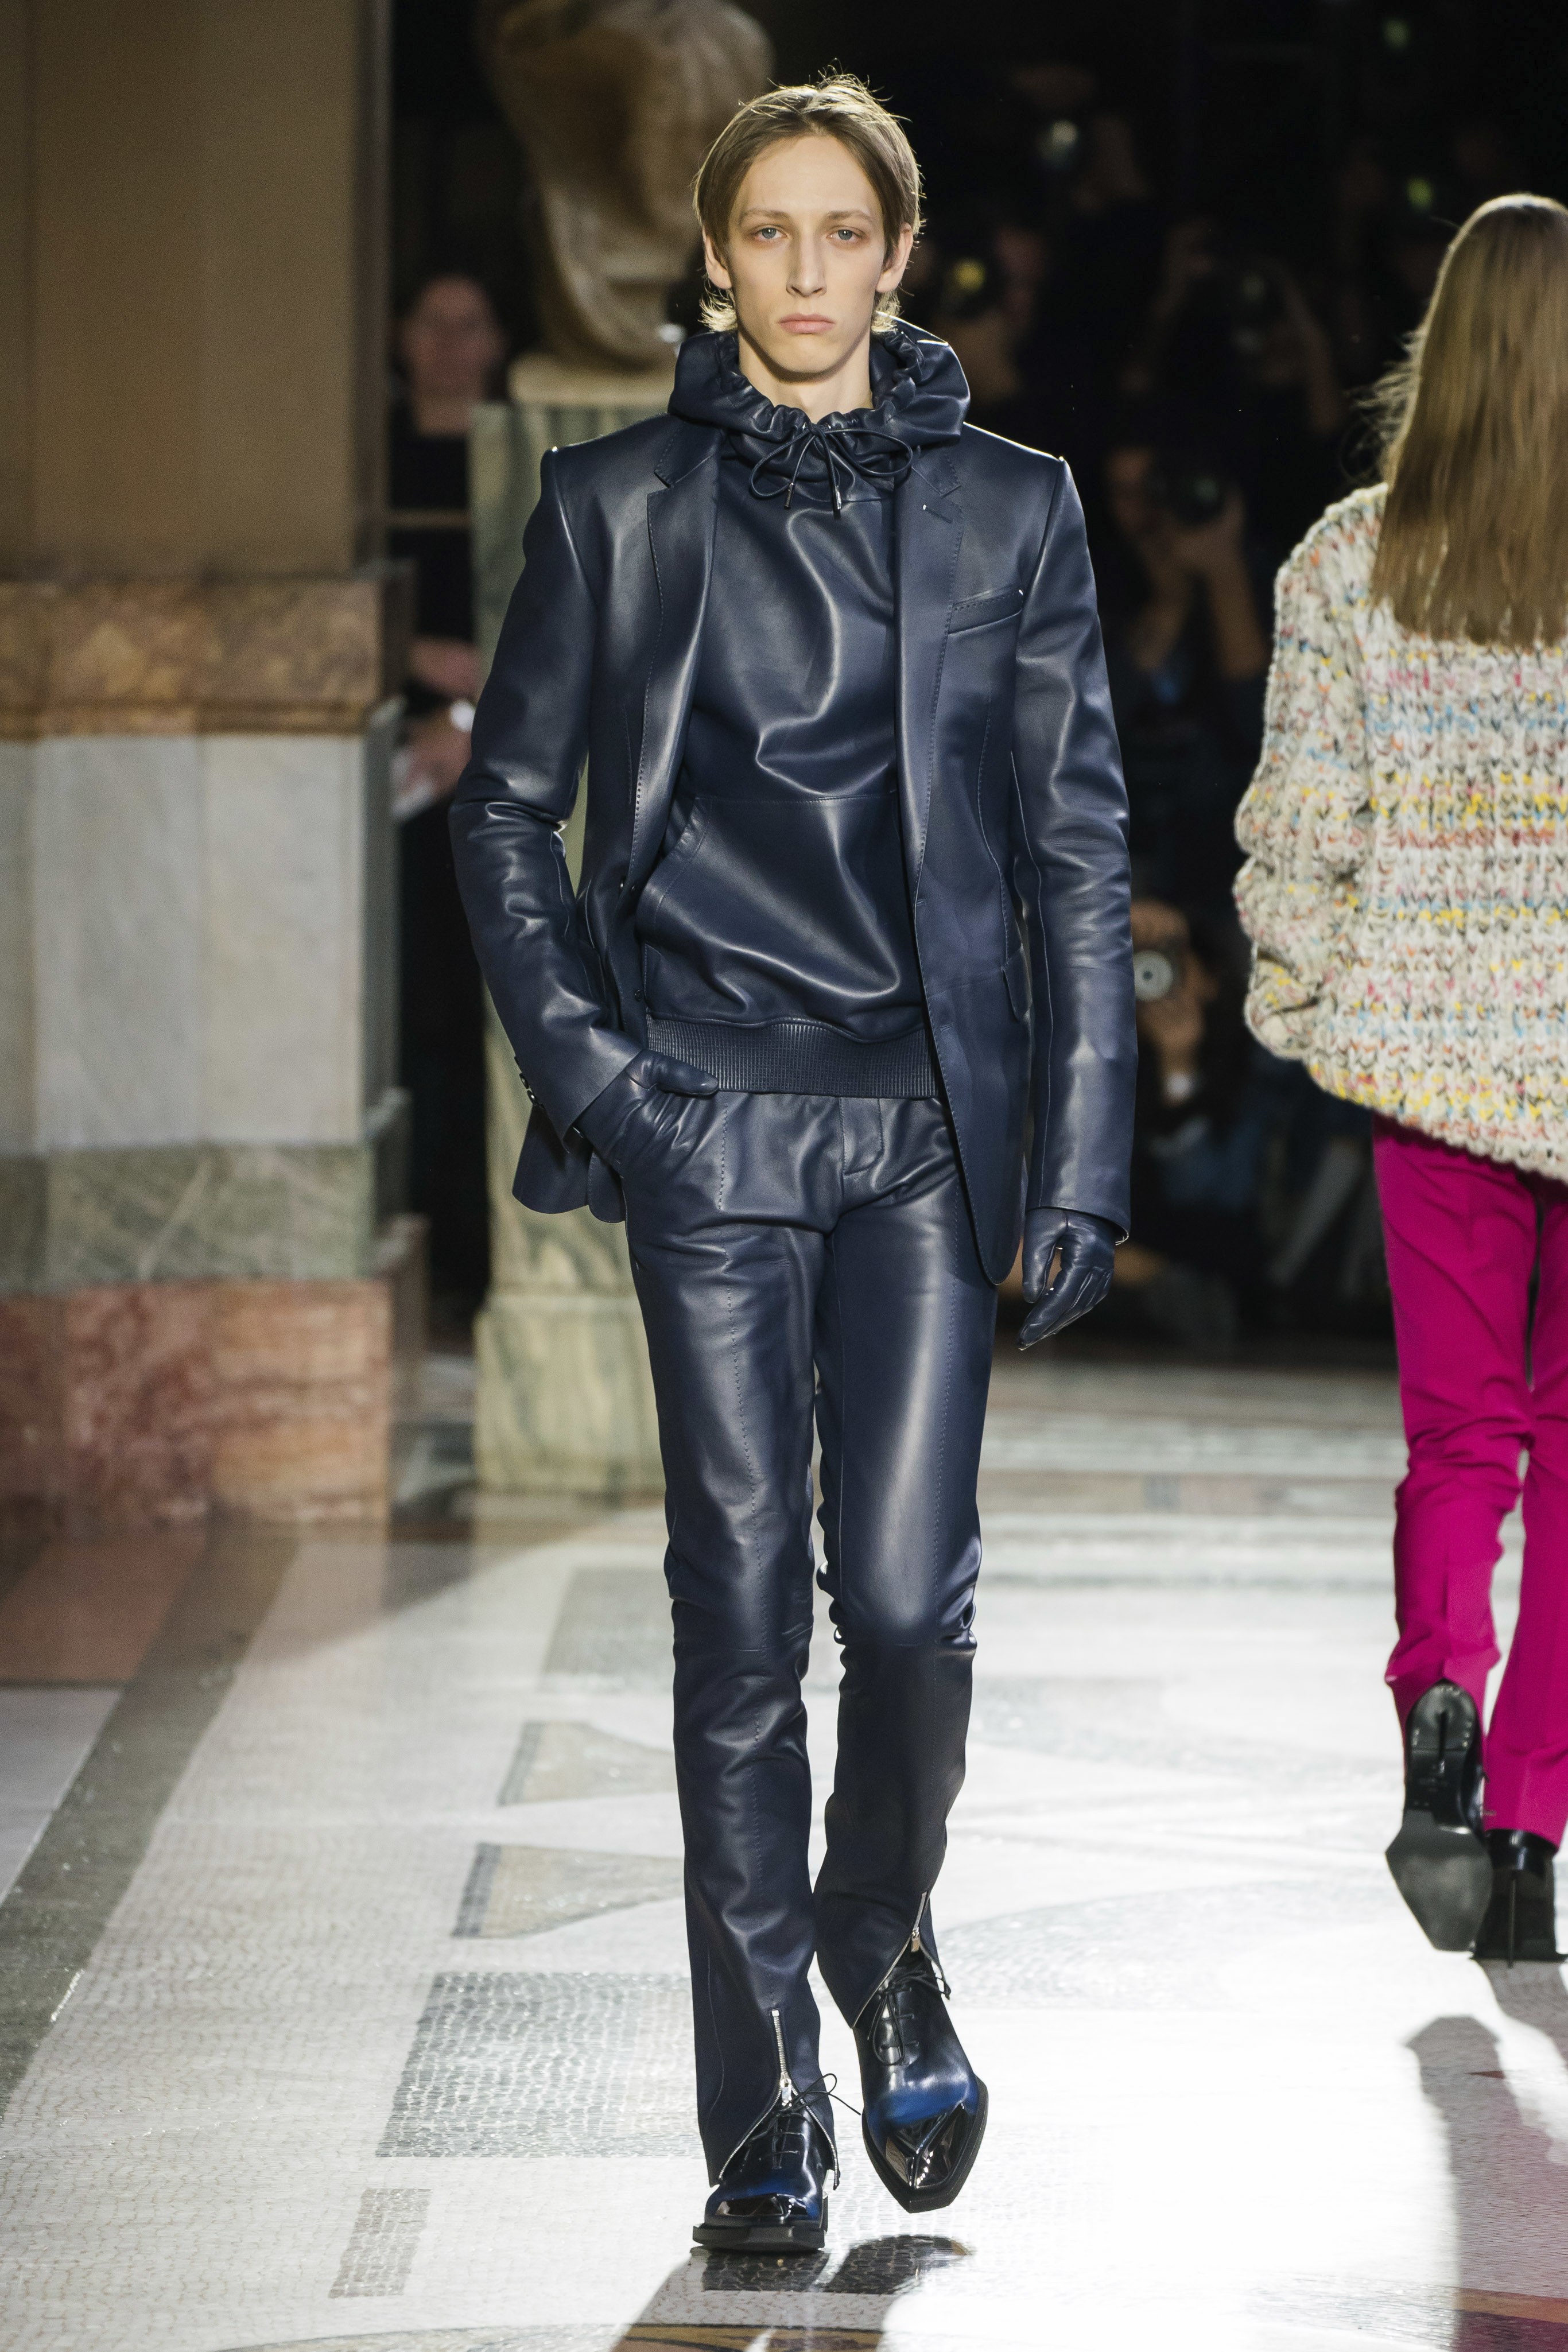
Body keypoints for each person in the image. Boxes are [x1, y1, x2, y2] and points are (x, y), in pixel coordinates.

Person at [450, 76, 1134, 2248]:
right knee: (736, 1617)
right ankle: (761, 2107)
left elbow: (1076, 847)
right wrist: (607, 1081)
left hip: (924, 1123)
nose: (810, 268)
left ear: (898, 255)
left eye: (847, 231)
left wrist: (1080, 1149)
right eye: (771, 231)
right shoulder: (614, 506)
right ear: (718, 256)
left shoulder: (1013, 510)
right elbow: (501, 808)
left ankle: (879, 1927)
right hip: (703, 1116)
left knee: (909, 1605)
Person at [1233, 195, 1568, 1965]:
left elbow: (1300, 829)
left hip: (1433, 1072)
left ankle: (1440, 1695)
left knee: (1460, 1436)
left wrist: (1313, 1007)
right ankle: (1528, 1831)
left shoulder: (1347, 561)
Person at [389, 273, 507, 1319]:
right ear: (400, 336)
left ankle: (478, 1257)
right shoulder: (368, 462)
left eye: (471, 326)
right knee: (407, 1008)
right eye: (434, 324)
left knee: (488, 1013)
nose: (452, 346)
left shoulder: (526, 462)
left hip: (499, 775)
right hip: (395, 776)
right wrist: (417, 661)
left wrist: (471, 717)